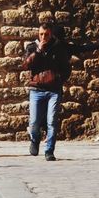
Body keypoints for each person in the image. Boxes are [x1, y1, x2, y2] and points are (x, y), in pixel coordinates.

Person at [22, 23, 72, 161]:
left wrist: (59, 78)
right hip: (36, 89)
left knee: (52, 121)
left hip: (53, 89)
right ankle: (35, 139)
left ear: (51, 34)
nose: (44, 37)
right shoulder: (32, 47)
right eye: (41, 34)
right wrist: (38, 51)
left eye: (47, 34)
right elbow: (26, 64)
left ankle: (49, 151)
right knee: (34, 122)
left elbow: (67, 68)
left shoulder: (58, 48)